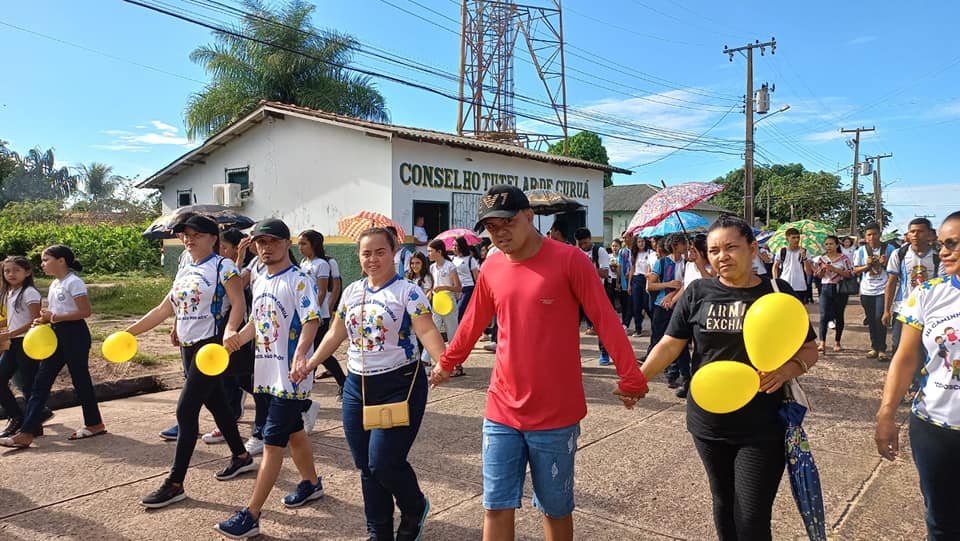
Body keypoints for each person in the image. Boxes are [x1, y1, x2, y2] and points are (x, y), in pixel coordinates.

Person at [431, 185, 648, 541]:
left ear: (529, 216)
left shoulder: (570, 260)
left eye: (508, 222)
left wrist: (631, 377)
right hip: (501, 409)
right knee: (495, 505)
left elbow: (605, 319)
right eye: (492, 227)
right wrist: (447, 362)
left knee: (555, 509)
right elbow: (472, 321)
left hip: (555, 415)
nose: (500, 233)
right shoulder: (491, 266)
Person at [640, 215, 819, 541]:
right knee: (722, 502)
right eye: (713, 250)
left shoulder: (777, 292)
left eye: (731, 247)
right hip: (708, 422)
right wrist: (639, 379)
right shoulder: (697, 292)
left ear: (752, 249)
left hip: (763, 424)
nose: (722, 256)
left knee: (751, 518)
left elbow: (809, 349)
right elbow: (670, 344)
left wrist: (786, 371)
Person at [301, 227, 444, 541]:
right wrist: (310, 363)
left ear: (393, 253)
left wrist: (441, 360)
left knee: (383, 462)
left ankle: (414, 506)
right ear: (358, 256)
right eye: (366, 253)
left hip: (399, 385)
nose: (373, 259)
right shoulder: (353, 291)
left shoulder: (408, 291)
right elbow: (336, 333)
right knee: (366, 464)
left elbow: (427, 330)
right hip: (357, 387)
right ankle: (378, 532)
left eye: (380, 252)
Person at [123, 215, 254, 508]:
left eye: (196, 235)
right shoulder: (185, 269)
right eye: (185, 235)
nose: (189, 240)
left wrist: (231, 330)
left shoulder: (223, 267)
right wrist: (129, 333)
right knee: (216, 402)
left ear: (213, 238)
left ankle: (175, 482)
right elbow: (163, 309)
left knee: (185, 410)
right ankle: (241, 456)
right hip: (188, 346)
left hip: (211, 347)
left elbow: (238, 303)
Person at [215, 219, 323, 539]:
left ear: (287, 243)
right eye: (261, 242)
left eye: (273, 241)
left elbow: (311, 321)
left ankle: (251, 515)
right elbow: (256, 321)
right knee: (294, 433)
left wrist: (301, 354)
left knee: (272, 444)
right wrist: (236, 337)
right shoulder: (260, 277)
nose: (267, 247)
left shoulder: (299, 280)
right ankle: (311, 483)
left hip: (291, 377)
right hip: (265, 375)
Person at [875, 211, 960, 540]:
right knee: (941, 521)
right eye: (942, 244)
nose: (944, 252)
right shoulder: (927, 294)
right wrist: (886, 413)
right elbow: (905, 358)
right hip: (935, 429)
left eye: (952, 244)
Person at [0, 246, 107, 449]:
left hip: (75, 335)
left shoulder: (74, 282)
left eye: (45, 260)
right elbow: (55, 312)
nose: (42, 264)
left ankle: (94, 424)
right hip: (56, 335)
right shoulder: (55, 283)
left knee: (80, 380)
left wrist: (54, 316)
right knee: (41, 382)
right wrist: (43, 319)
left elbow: (85, 312)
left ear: (61, 261)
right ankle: (27, 432)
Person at [884, 217, 944, 356]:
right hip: (903, 308)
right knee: (899, 346)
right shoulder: (899, 254)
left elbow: (942, 286)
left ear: (929, 234)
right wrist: (886, 310)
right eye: (912, 231)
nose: (916, 235)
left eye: (920, 231)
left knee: (927, 347)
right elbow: (891, 283)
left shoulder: (939, 256)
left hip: (929, 310)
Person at [299, 229, 346, 406]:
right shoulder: (304, 263)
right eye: (300, 243)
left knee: (322, 351)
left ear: (314, 244)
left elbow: (322, 291)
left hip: (319, 315)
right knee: (311, 350)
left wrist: (314, 312)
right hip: (306, 314)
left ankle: (343, 381)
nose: (300, 247)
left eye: (304, 243)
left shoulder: (322, 264)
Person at [0, 256, 43, 437]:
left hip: (27, 342)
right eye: (7, 271)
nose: (11, 274)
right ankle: (16, 417)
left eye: (16, 270)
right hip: (14, 342)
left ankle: (33, 424)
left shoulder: (29, 292)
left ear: (27, 272)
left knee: (28, 384)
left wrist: (9, 334)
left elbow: (35, 320)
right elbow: (13, 318)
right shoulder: (9, 292)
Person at [647, 234, 691, 389]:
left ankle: (684, 375)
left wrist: (674, 294)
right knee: (660, 340)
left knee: (680, 341)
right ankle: (669, 372)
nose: (686, 246)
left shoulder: (688, 263)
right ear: (675, 246)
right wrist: (668, 284)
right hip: (662, 306)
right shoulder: (662, 263)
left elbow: (687, 284)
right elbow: (650, 286)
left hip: (681, 305)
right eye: (683, 243)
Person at [853, 223, 895, 361]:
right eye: (869, 235)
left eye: (875, 234)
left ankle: (882, 349)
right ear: (865, 236)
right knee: (871, 319)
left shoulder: (889, 249)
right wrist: (867, 265)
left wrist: (885, 263)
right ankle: (874, 347)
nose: (872, 237)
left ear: (880, 234)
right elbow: (855, 270)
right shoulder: (861, 250)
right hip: (867, 290)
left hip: (883, 288)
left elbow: (895, 269)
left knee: (880, 318)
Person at [574, 227, 613, 365]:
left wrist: (588, 266)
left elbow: (604, 273)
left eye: (585, 243)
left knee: (600, 324)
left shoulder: (599, 251)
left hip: (597, 292)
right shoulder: (576, 252)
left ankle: (604, 353)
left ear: (590, 239)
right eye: (580, 244)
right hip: (578, 293)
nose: (583, 246)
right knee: (573, 325)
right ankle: (574, 354)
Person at [426, 239, 463, 375]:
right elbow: (432, 285)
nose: (428, 254)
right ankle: (435, 361)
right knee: (434, 331)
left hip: (449, 301)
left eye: (430, 251)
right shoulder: (432, 267)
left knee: (452, 333)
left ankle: (457, 364)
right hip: (437, 302)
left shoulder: (450, 266)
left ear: (439, 252)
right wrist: (431, 292)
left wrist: (444, 288)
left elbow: (458, 287)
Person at [813, 235, 854, 353]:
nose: (828, 246)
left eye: (831, 244)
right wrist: (821, 272)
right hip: (826, 287)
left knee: (839, 315)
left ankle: (837, 342)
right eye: (826, 244)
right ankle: (822, 342)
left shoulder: (844, 258)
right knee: (823, 315)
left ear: (837, 245)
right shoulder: (822, 259)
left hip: (840, 288)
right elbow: (818, 276)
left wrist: (835, 269)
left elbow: (850, 274)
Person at [772, 227, 814, 303]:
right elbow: (775, 267)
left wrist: (804, 258)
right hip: (784, 285)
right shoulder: (781, 251)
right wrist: (776, 281)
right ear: (787, 239)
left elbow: (809, 272)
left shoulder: (805, 251)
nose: (796, 240)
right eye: (793, 238)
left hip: (800, 287)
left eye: (798, 237)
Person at [628, 236, 654, 337]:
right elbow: (632, 269)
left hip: (646, 279)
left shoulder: (650, 253)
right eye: (639, 242)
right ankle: (638, 329)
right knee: (636, 306)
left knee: (647, 305)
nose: (641, 243)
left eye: (642, 241)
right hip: (636, 280)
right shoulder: (635, 254)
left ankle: (655, 325)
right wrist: (629, 284)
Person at [452, 236, 480, 322]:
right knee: (455, 312)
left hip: (468, 288)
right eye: (453, 245)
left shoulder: (470, 259)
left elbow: (477, 277)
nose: (454, 248)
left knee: (460, 311)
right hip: (456, 289)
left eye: (456, 245)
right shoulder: (452, 259)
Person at [617, 233, 635, 330]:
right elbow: (619, 266)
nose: (624, 239)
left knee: (632, 303)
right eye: (623, 237)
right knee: (624, 303)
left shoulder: (635, 250)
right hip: (624, 281)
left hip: (634, 280)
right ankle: (624, 323)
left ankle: (627, 323)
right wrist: (618, 281)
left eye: (626, 237)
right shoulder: (622, 251)